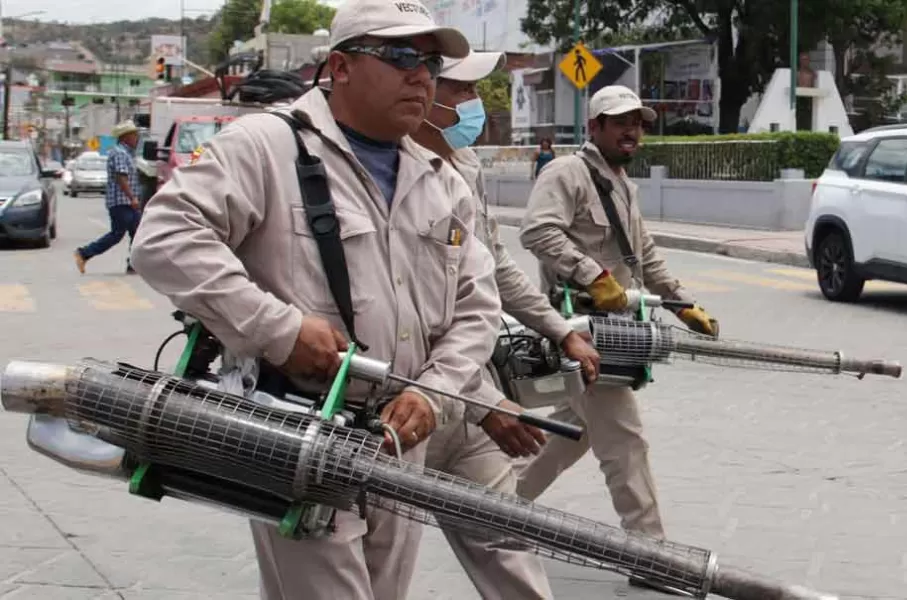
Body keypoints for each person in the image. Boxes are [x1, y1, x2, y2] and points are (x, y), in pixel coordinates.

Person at [128, 1, 502, 598]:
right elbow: (165, 238)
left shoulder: (442, 177)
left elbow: (478, 306)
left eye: (430, 61)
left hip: (401, 442)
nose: (422, 75)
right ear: (341, 67)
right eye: (401, 55)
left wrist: (441, 393)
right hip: (297, 432)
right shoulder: (264, 146)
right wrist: (276, 329)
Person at [409, 49, 603, 599]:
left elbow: (492, 270)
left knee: (507, 545)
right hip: (403, 404)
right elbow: (403, 318)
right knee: (372, 570)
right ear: (422, 93)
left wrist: (558, 328)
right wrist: (480, 399)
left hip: (473, 400)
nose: (474, 104)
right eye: (462, 90)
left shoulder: (464, 167)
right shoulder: (379, 171)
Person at [515, 84, 718, 592]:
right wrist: (592, 276)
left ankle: (493, 506)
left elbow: (641, 252)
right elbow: (537, 232)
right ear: (594, 127)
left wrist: (680, 300)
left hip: (617, 329)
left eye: (640, 122)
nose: (633, 130)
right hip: (579, 330)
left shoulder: (623, 182)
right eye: (621, 121)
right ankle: (649, 555)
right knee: (624, 439)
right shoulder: (565, 173)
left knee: (573, 435)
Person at [74, 121, 141, 275]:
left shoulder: (128, 153)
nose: (136, 138)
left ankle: (133, 264)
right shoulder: (119, 153)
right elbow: (121, 177)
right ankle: (84, 253)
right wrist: (132, 198)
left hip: (127, 202)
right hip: (121, 201)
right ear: (125, 137)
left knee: (137, 233)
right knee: (117, 234)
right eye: (134, 135)